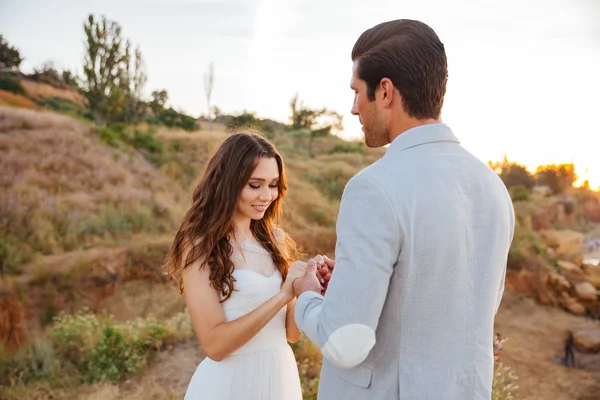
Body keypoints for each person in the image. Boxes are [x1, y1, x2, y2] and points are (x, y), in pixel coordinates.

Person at [292, 19, 515, 399]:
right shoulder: (493, 187)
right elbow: (461, 304)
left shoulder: (373, 188)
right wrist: (348, 286)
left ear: (385, 91)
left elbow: (345, 342)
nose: (353, 108)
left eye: (357, 92)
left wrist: (305, 294)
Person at [164, 131, 317, 400]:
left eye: (273, 185)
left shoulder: (276, 240)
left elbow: (291, 334)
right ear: (229, 183)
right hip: (229, 385)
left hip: (279, 377)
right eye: (254, 185)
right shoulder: (200, 245)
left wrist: (308, 288)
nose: (267, 195)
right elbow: (215, 346)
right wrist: (283, 295)